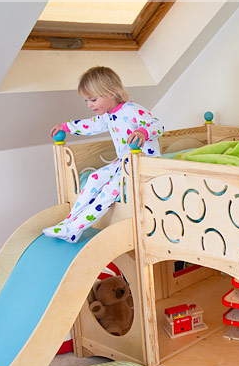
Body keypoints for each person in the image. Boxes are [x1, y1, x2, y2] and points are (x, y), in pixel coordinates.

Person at [44, 66, 164, 243]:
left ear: (111, 92)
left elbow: (157, 125)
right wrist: (66, 127)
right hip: (124, 163)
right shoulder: (107, 116)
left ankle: (75, 228)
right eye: (86, 100)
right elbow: (90, 125)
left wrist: (142, 132)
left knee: (109, 190)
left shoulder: (131, 110)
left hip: (144, 163)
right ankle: (69, 222)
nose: (89, 105)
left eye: (93, 99)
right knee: (94, 178)